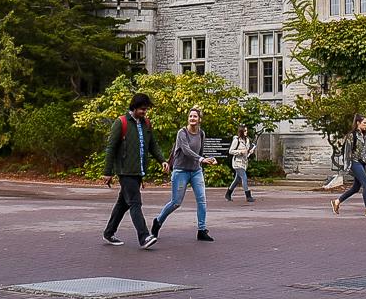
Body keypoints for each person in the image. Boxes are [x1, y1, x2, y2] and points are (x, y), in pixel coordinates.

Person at [103, 92, 169, 248]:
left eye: (146, 109)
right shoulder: (121, 122)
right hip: (125, 171)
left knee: (123, 204)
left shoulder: (146, 123)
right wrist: (107, 172)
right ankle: (144, 237)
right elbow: (111, 148)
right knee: (135, 203)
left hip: (139, 171)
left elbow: (152, 145)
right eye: (141, 109)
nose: (144, 112)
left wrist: (163, 160)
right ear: (134, 107)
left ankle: (109, 232)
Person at [153, 107, 219, 242]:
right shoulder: (182, 133)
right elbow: (186, 150)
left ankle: (201, 230)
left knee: (202, 200)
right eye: (190, 116)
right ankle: (158, 221)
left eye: (195, 116)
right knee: (176, 202)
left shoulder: (201, 134)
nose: (192, 118)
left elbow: (200, 153)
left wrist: (209, 159)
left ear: (200, 119)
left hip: (196, 171)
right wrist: (201, 159)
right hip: (180, 170)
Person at [331, 115, 366, 216]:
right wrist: (347, 166)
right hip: (354, 162)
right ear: (358, 123)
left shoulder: (365, 135)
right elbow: (347, 152)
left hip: (362, 162)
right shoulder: (351, 136)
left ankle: (337, 201)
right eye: (364, 123)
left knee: (356, 188)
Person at [225, 124, 255, 203]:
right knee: (244, 177)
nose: (246, 132)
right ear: (241, 131)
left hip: (244, 162)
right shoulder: (236, 140)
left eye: (247, 130)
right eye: (244, 131)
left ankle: (228, 194)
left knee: (237, 180)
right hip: (237, 163)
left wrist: (250, 152)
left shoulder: (247, 140)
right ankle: (248, 196)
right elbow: (231, 151)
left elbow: (247, 151)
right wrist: (240, 152)